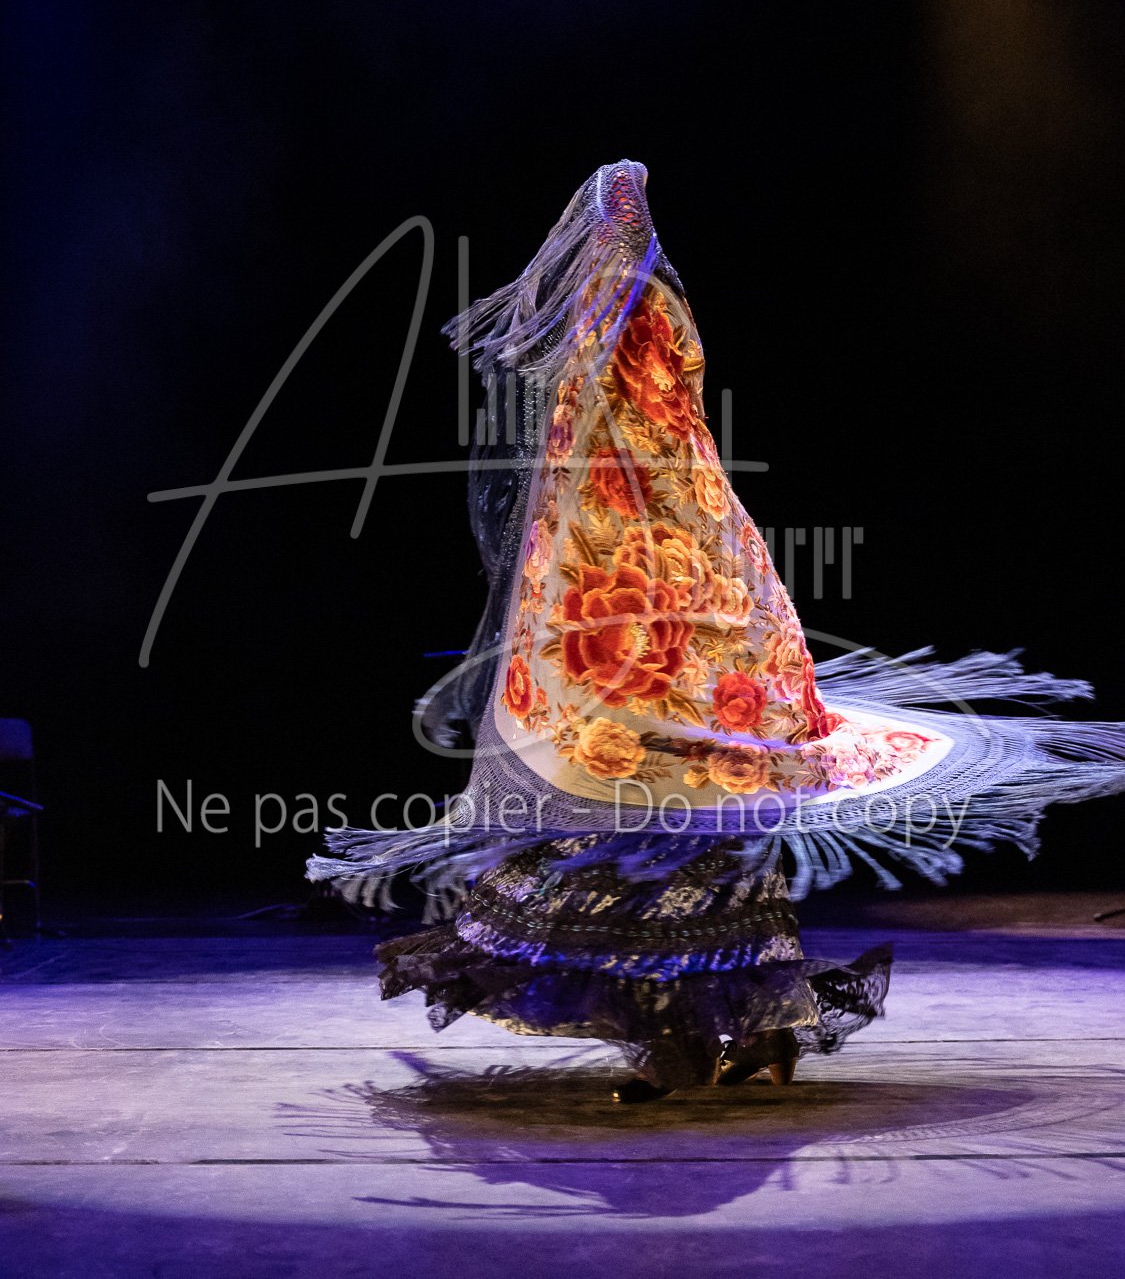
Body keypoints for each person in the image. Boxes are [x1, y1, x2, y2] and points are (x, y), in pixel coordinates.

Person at [309, 159, 1125, 1102]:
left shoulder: (615, 339)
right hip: (698, 583)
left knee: (655, 821)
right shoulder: (655, 330)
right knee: (695, 823)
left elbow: (593, 479)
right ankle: (751, 1034)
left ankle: (681, 1041)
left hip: (655, 602)